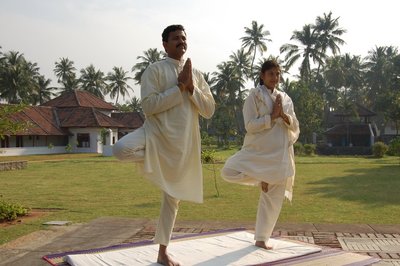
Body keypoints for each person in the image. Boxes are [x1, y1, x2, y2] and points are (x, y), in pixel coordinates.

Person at [113, 24, 215, 266]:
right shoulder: (155, 70)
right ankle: (152, 157)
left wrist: (191, 88)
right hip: (155, 135)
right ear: (165, 44)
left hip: (182, 146)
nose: (181, 41)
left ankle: (162, 252)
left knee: (172, 200)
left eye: (183, 37)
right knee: (120, 149)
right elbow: (149, 106)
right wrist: (178, 87)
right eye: (175, 38)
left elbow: (209, 110)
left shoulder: (196, 75)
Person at [221, 60, 299, 250]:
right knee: (228, 171)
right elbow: (249, 125)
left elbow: (295, 125)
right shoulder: (254, 97)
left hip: (279, 154)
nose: (275, 77)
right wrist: (271, 117)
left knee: (273, 200)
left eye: (278, 74)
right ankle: (261, 178)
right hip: (258, 151)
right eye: (271, 73)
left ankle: (262, 238)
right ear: (262, 76)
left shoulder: (285, 98)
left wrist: (283, 116)